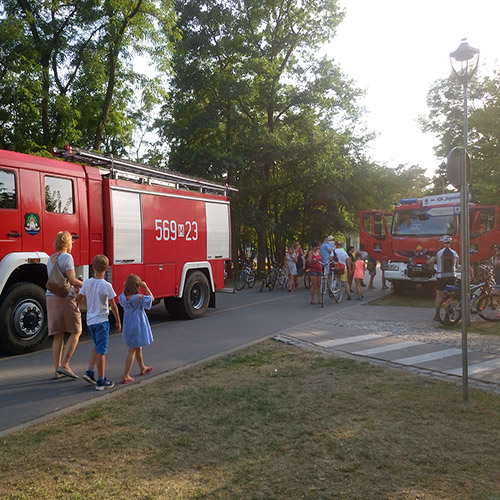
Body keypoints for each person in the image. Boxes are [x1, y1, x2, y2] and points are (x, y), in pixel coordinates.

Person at [77, 255, 122, 390]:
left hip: (90, 321)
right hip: (102, 321)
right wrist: (118, 322)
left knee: (97, 346)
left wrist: (76, 308)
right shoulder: (106, 286)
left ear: (93, 267)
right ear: (107, 269)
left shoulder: (87, 283)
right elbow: (113, 305)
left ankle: (90, 371)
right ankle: (101, 380)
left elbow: (79, 298)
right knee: (102, 351)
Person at [46, 230, 83, 380]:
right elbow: (73, 280)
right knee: (77, 330)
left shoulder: (50, 258)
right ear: (67, 243)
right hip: (64, 298)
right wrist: (86, 284)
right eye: (71, 242)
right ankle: (65, 365)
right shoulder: (67, 257)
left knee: (58, 334)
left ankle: (57, 370)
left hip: (51, 297)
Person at [119, 274, 154, 384]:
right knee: (132, 349)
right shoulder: (138, 298)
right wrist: (145, 286)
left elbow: (123, 297)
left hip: (128, 323)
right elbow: (151, 298)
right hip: (137, 324)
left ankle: (142, 367)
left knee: (137, 347)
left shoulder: (122, 297)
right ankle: (125, 375)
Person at [429, 235, 459, 321]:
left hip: (441, 276)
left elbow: (431, 261)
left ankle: (437, 315)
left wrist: (433, 269)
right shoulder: (454, 253)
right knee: (449, 296)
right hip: (452, 276)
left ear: (442, 243)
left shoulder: (438, 252)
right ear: (450, 243)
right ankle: (447, 316)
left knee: (439, 295)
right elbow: (456, 265)